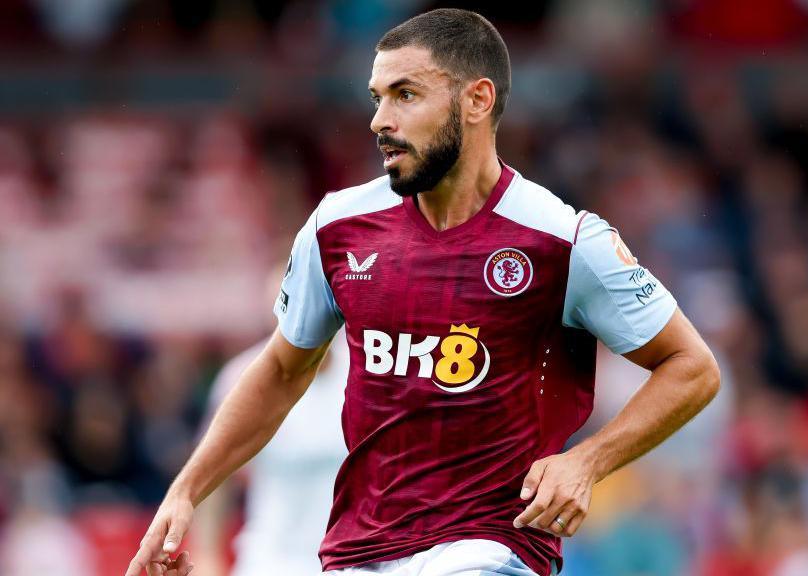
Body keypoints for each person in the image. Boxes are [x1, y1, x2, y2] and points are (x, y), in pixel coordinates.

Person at [125, 9, 720, 576]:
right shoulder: (337, 227)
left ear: (477, 100)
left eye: (405, 95)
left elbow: (691, 367)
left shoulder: (562, 239)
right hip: (358, 548)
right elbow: (283, 369)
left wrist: (588, 460)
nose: (380, 120)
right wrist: (186, 492)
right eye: (376, 98)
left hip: (490, 543)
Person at [191, 330, 348, 576]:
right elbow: (212, 475)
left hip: (355, 563)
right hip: (271, 561)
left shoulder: (371, 372)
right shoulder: (243, 377)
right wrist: (206, 557)